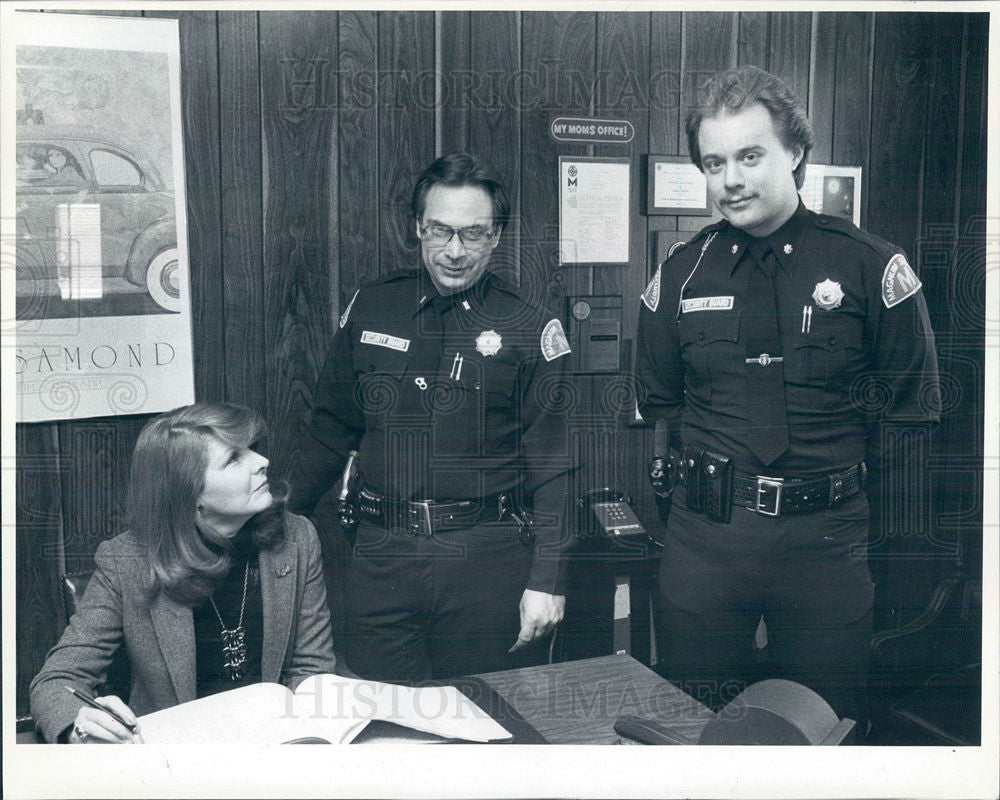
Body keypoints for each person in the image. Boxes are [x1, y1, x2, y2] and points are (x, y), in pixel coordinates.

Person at [634, 66, 940, 725]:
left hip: (826, 546)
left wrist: (884, 548)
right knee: (692, 720)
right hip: (706, 542)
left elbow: (908, 424)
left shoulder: (870, 266)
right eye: (714, 163)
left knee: (824, 728)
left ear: (796, 153)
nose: (731, 180)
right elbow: (663, 411)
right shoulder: (681, 273)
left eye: (749, 156)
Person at [289, 152, 574, 682]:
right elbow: (330, 429)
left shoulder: (531, 327)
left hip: (486, 561)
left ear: (496, 236)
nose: (454, 251)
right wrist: (276, 524)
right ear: (418, 227)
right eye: (440, 230)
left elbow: (555, 467)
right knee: (381, 725)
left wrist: (549, 581)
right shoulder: (373, 307)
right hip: (381, 559)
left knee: (487, 724)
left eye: (473, 234)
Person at [30, 403, 338, 743]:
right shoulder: (127, 559)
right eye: (234, 458)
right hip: (171, 758)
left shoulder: (297, 537)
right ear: (190, 495)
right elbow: (56, 681)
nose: (262, 462)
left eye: (252, 449)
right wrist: (79, 726)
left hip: (273, 747)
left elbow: (311, 669)